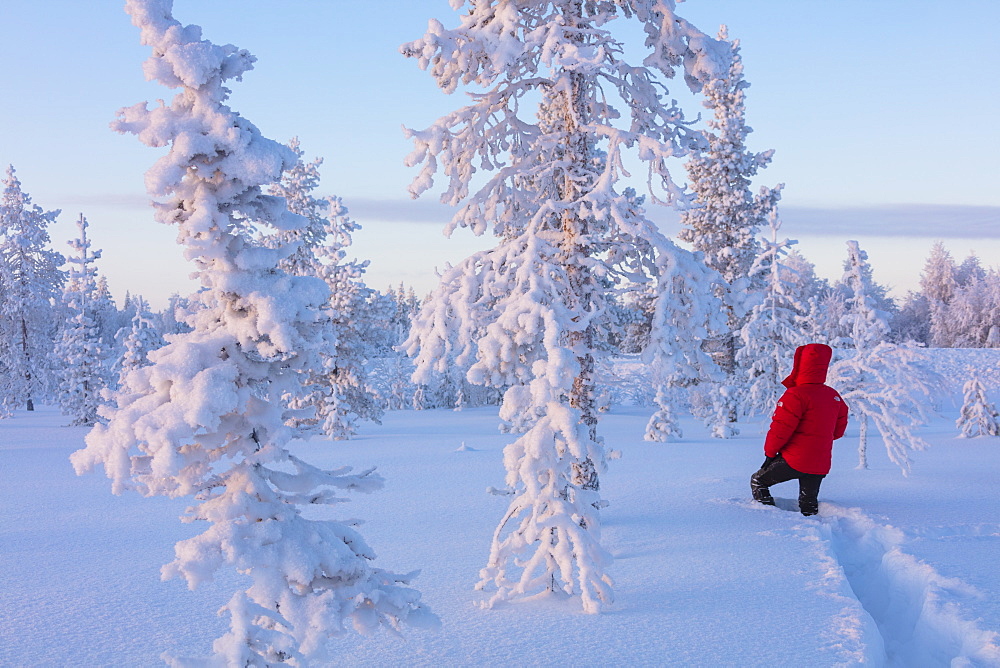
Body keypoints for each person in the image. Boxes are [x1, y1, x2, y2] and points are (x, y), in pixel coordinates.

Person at [751, 343, 849, 516]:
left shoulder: (795, 394)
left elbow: (781, 428)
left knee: (758, 481)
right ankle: (813, 528)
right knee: (808, 502)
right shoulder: (833, 396)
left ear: (799, 366)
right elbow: (838, 431)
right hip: (820, 462)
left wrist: (770, 453)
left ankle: (768, 518)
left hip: (794, 460)